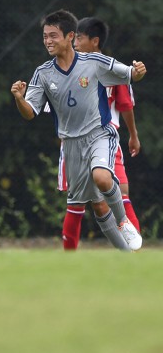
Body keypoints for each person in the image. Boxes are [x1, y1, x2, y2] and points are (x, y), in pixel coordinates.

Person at [11, 9, 146, 251]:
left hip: (99, 134)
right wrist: (19, 99)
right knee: (95, 205)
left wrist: (137, 71)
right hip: (71, 145)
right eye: (45, 36)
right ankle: (127, 256)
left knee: (103, 177)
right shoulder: (43, 73)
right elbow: (30, 112)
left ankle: (123, 221)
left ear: (70, 36)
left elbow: (128, 74)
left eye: (53, 35)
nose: (48, 41)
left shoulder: (94, 61)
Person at [58, 17, 141, 250]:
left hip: (105, 138)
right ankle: (70, 258)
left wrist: (133, 135)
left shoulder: (112, 68)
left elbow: (125, 105)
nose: (74, 43)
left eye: (80, 38)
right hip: (76, 140)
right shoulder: (67, 68)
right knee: (90, 203)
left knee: (117, 193)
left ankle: (135, 251)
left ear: (95, 41)